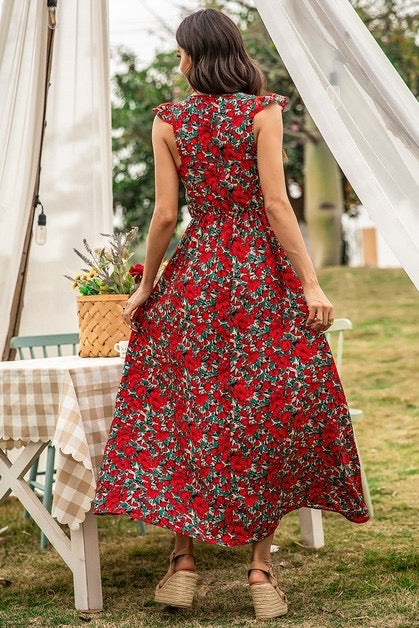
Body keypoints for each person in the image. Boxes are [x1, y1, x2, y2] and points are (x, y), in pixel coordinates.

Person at [93, 8, 370, 621]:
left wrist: (148, 287)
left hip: (196, 277)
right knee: (266, 412)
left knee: (183, 411)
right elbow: (275, 202)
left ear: (192, 56)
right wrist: (311, 283)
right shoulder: (262, 109)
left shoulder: (170, 120)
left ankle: (183, 564)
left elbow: (166, 217)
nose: (177, 62)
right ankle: (260, 572)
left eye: (179, 52)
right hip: (257, 277)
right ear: (234, 52)